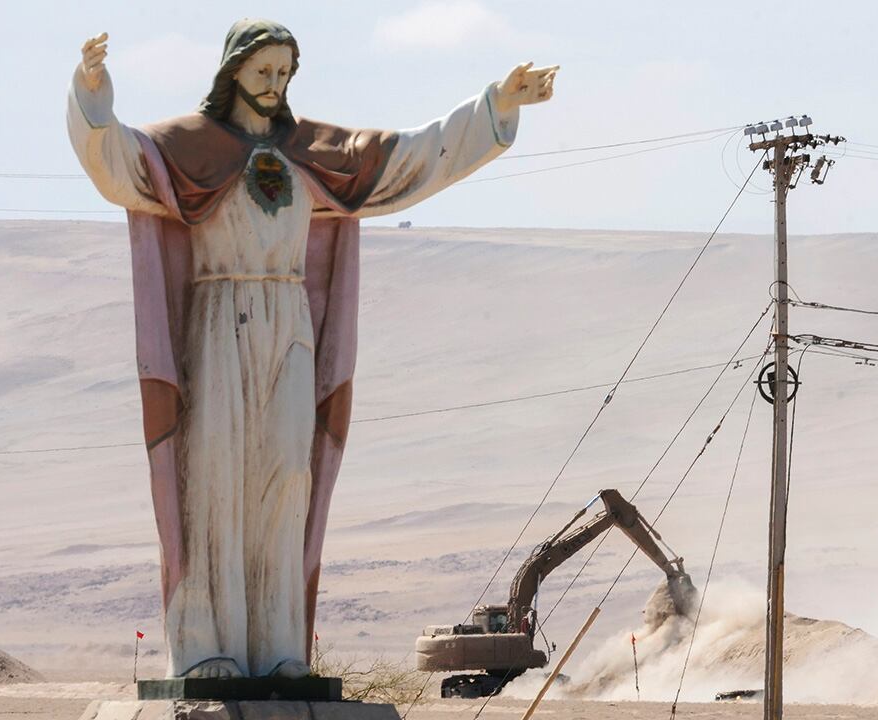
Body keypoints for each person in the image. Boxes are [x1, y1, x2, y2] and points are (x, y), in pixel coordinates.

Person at [67, 18, 556, 679]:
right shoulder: (188, 147)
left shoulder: (316, 152)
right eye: (264, 70)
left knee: (286, 479)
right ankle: (210, 646)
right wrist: (93, 95)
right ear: (232, 69)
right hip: (219, 316)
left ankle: (278, 650)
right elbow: (119, 162)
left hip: (289, 319)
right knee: (215, 477)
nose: (275, 84)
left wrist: (495, 105)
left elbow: (414, 157)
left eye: (285, 73)